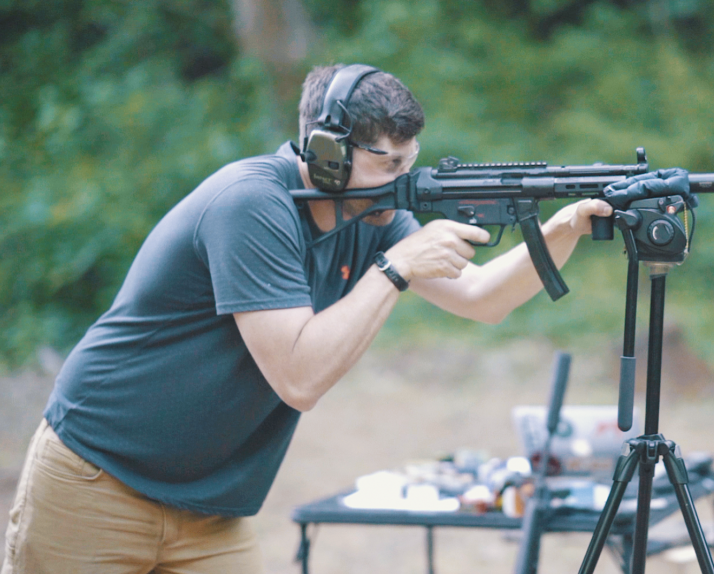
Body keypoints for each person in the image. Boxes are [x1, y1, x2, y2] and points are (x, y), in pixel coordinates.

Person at [1, 63, 622, 573]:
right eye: (388, 165)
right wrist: (396, 269)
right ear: (326, 156)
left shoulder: (370, 213)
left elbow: (483, 298)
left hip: (209, 510)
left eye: (410, 162)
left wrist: (563, 227)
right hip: (97, 483)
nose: (404, 181)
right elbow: (298, 376)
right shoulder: (252, 205)